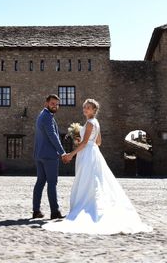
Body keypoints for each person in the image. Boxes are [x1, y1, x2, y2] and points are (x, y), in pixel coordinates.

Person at [43, 99, 152, 234]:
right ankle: (94, 205)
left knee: (87, 181)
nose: (85, 109)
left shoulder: (89, 123)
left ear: (94, 110)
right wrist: (82, 141)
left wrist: (71, 154)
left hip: (87, 154)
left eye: (88, 108)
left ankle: (89, 208)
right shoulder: (96, 122)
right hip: (94, 152)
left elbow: (84, 144)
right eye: (84, 107)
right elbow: (98, 142)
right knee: (94, 180)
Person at [32, 94, 70, 219]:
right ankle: (55, 212)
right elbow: (52, 136)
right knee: (52, 183)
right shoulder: (47, 117)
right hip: (49, 156)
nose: (55, 106)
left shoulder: (41, 115)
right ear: (46, 103)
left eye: (57, 104)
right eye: (53, 103)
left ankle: (36, 211)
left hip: (39, 155)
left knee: (40, 182)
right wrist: (62, 152)